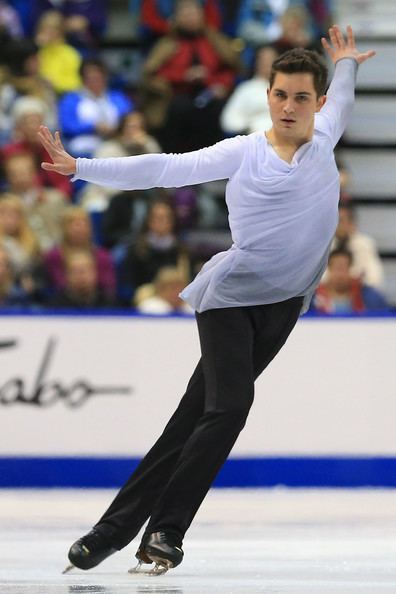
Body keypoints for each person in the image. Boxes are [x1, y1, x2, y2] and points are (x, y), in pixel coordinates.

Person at [38, 25, 375, 574]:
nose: (290, 106)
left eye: (302, 98)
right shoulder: (243, 152)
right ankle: (166, 532)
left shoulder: (326, 137)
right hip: (231, 299)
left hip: (286, 302)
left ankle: (109, 533)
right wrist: (83, 168)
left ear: (317, 103)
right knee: (229, 408)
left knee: (192, 417)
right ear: (267, 96)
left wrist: (346, 64)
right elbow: (166, 166)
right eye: (281, 95)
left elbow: (345, 94)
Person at [311, 248, 389, 314]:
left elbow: (384, 319)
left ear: (350, 269)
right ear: (329, 269)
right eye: (336, 268)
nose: (340, 274)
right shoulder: (313, 298)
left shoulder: (367, 295)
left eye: (343, 269)